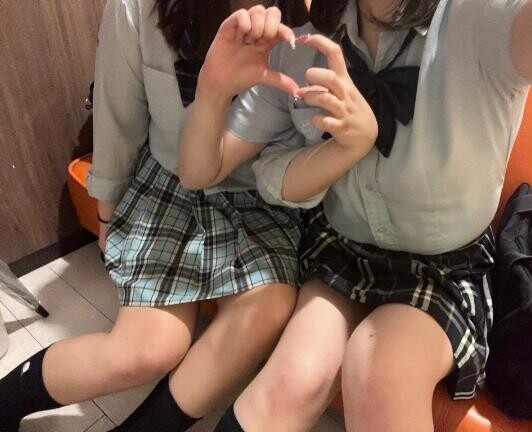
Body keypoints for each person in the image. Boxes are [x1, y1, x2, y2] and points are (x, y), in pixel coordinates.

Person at [177, 0, 532, 430]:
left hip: (445, 267)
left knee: (381, 368)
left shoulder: (481, 17)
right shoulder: (303, 45)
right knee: (290, 382)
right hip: (341, 250)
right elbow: (199, 172)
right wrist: (213, 89)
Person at [0, 1, 309, 432]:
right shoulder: (137, 7)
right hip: (170, 180)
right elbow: (118, 113)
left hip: (262, 192)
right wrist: (106, 214)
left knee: (266, 309)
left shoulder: (310, 21)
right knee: (147, 349)